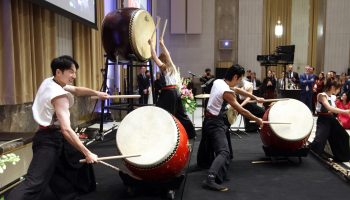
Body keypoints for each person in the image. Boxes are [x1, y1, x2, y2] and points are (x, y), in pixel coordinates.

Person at [6, 55, 109, 200]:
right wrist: (87, 153)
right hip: (48, 140)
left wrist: (97, 93)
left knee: (72, 160)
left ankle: (71, 193)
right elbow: (66, 129)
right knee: (34, 182)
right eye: (71, 72)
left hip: (55, 135)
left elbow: (77, 90)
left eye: (75, 72)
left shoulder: (50, 81)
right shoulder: (59, 96)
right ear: (59, 72)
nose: (74, 75)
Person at [197, 64, 263, 192]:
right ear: (235, 77)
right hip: (215, 123)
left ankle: (213, 168)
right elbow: (241, 110)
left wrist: (255, 97)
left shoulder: (218, 82)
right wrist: (257, 120)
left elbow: (238, 90)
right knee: (224, 152)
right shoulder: (227, 92)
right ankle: (210, 179)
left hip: (209, 120)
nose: (239, 83)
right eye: (239, 80)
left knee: (220, 149)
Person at [148, 38, 196, 139]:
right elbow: (168, 54)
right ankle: (191, 133)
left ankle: (166, 134)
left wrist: (151, 45)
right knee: (181, 114)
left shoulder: (164, 67)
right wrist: (162, 44)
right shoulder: (173, 66)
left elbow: (154, 56)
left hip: (169, 93)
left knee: (164, 113)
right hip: (176, 92)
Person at [310, 78, 350, 162]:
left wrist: (338, 120)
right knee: (320, 141)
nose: (339, 90)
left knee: (344, 136)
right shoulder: (321, 95)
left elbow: (334, 111)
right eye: (338, 88)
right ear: (332, 87)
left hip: (331, 119)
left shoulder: (333, 97)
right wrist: (345, 112)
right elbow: (329, 108)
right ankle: (313, 155)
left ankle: (341, 157)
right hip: (323, 119)